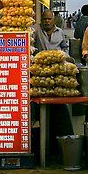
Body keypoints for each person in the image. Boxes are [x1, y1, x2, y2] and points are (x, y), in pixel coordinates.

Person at [31, 9, 74, 158]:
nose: (47, 21)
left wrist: (64, 57)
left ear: (53, 20)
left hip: (57, 74)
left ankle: (58, 139)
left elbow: (65, 48)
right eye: (44, 19)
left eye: (49, 19)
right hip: (41, 74)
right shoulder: (36, 31)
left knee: (58, 104)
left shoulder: (60, 32)